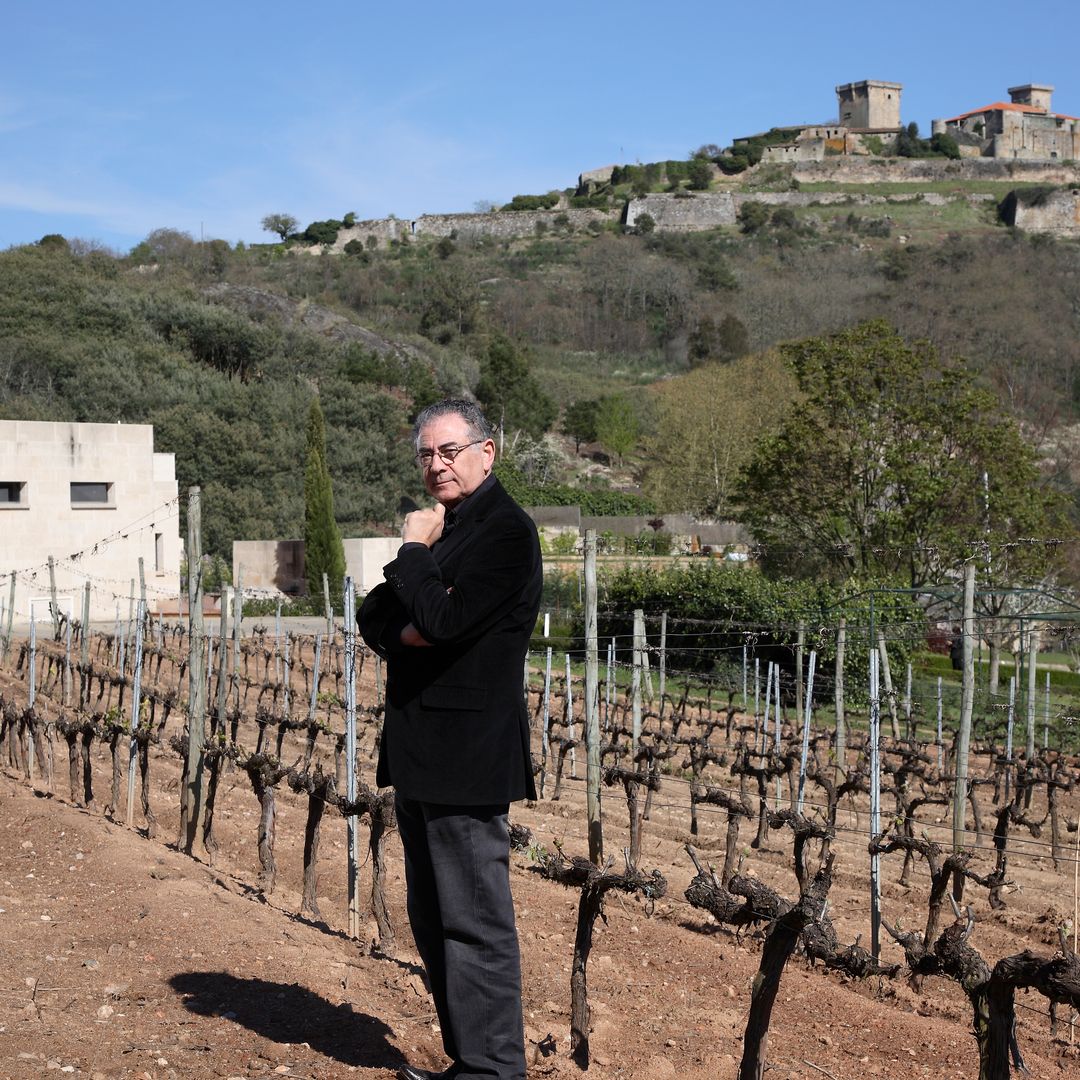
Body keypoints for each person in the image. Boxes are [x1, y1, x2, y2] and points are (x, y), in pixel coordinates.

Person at [358, 399, 540, 1080]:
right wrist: (417, 622)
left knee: (475, 924)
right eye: (426, 454)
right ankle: (474, 1063)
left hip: (468, 759)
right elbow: (375, 614)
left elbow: (443, 617)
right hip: (422, 754)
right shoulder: (449, 531)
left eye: (449, 451)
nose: (437, 465)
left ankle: (494, 1072)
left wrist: (412, 554)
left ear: (486, 453)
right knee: (435, 921)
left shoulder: (504, 533)